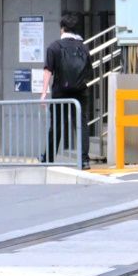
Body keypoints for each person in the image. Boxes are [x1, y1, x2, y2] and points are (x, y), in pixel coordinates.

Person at [42, 12, 92, 167]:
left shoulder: (54, 47)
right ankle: (84, 160)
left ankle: (48, 158)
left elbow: (48, 70)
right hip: (80, 91)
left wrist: (44, 92)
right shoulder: (83, 47)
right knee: (82, 124)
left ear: (62, 28)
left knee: (56, 124)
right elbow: (89, 71)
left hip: (60, 92)